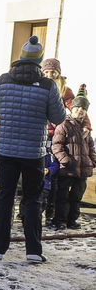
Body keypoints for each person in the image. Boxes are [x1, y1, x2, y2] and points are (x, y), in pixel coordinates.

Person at [0, 35, 66, 262]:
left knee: (5, 197)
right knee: (32, 199)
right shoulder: (48, 84)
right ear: (39, 60)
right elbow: (59, 117)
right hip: (33, 153)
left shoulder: (3, 80)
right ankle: (33, 250)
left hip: (7, 150)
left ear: (20, 57)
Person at [50, 86, 94, 230]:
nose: (80, 112)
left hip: (82, 170)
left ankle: (72, 220)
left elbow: (91, 148)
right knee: (62, 196)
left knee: (76, 197)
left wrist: (93, 161)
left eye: (83, 110)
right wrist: (65, 160)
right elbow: (56, 145)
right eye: (77, 109)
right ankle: (60, 220)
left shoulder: (86, 130)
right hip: (68, 168)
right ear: (71, 109)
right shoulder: (64, 125)